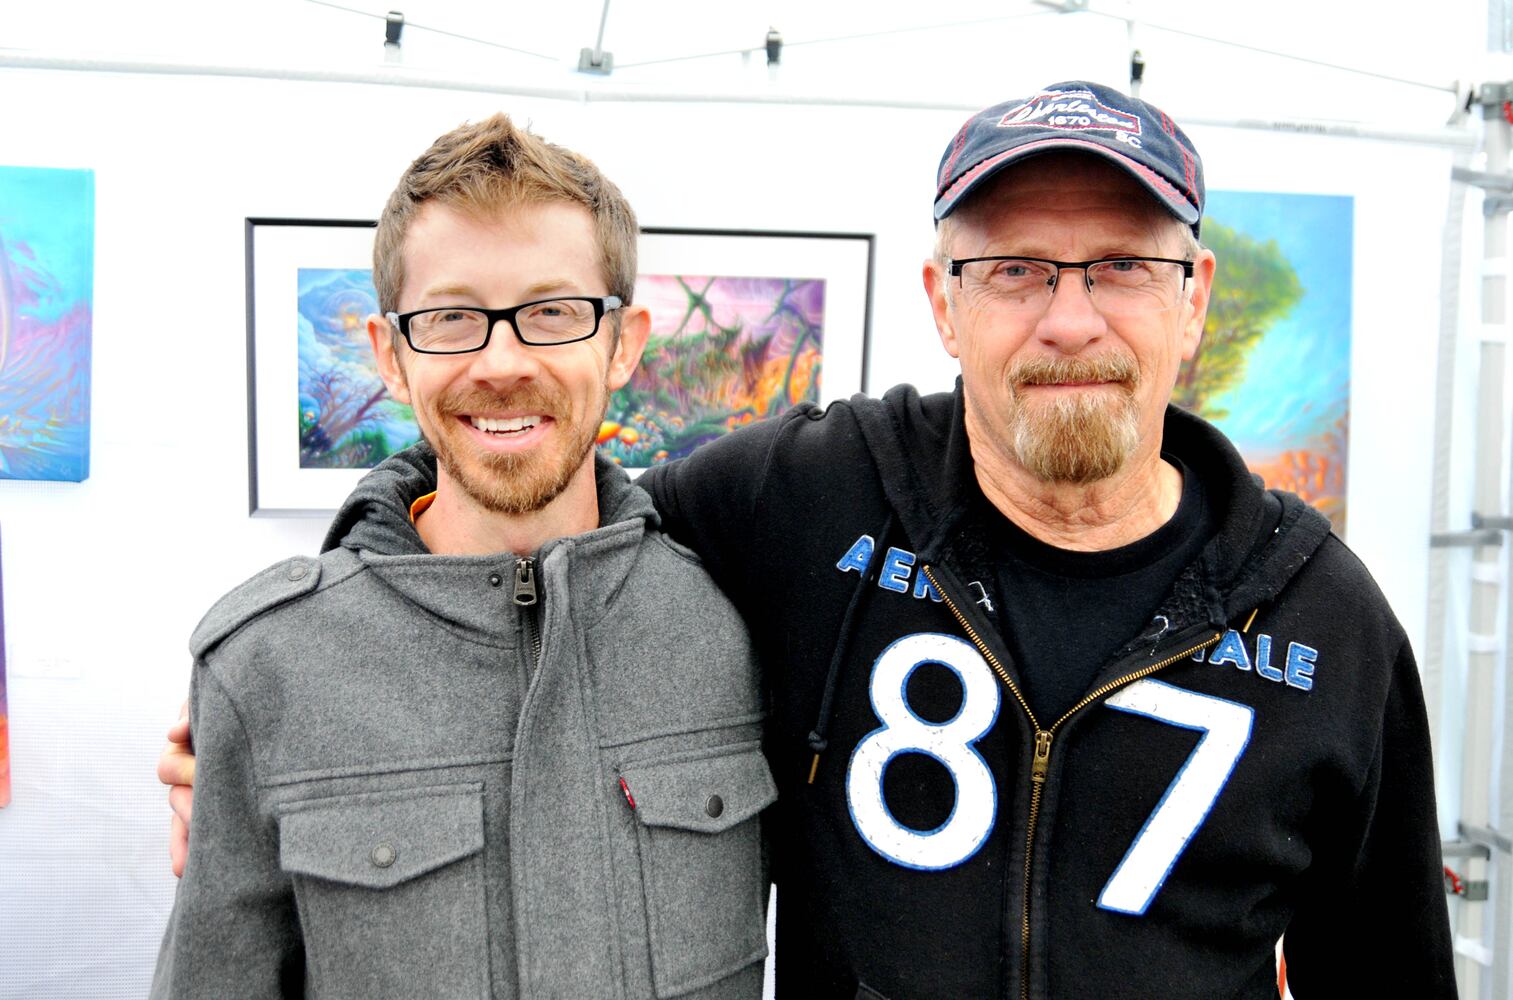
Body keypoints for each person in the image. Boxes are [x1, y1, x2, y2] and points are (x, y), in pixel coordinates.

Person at [163, 81, 1456, 998]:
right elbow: (527, 526)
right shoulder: (809, 499)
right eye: (1012, 269)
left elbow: (1386, 964)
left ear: (1193, 298)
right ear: (941, 300)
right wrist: (290, 685)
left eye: (1118, 264)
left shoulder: (1321, 615)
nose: (1069, 319)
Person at [150, 114, 774, 1000]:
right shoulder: (267, 665)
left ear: (624, 342)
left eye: (553, 312)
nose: (502, 360)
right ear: (391, 356)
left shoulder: (737, 624)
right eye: (451, 318)